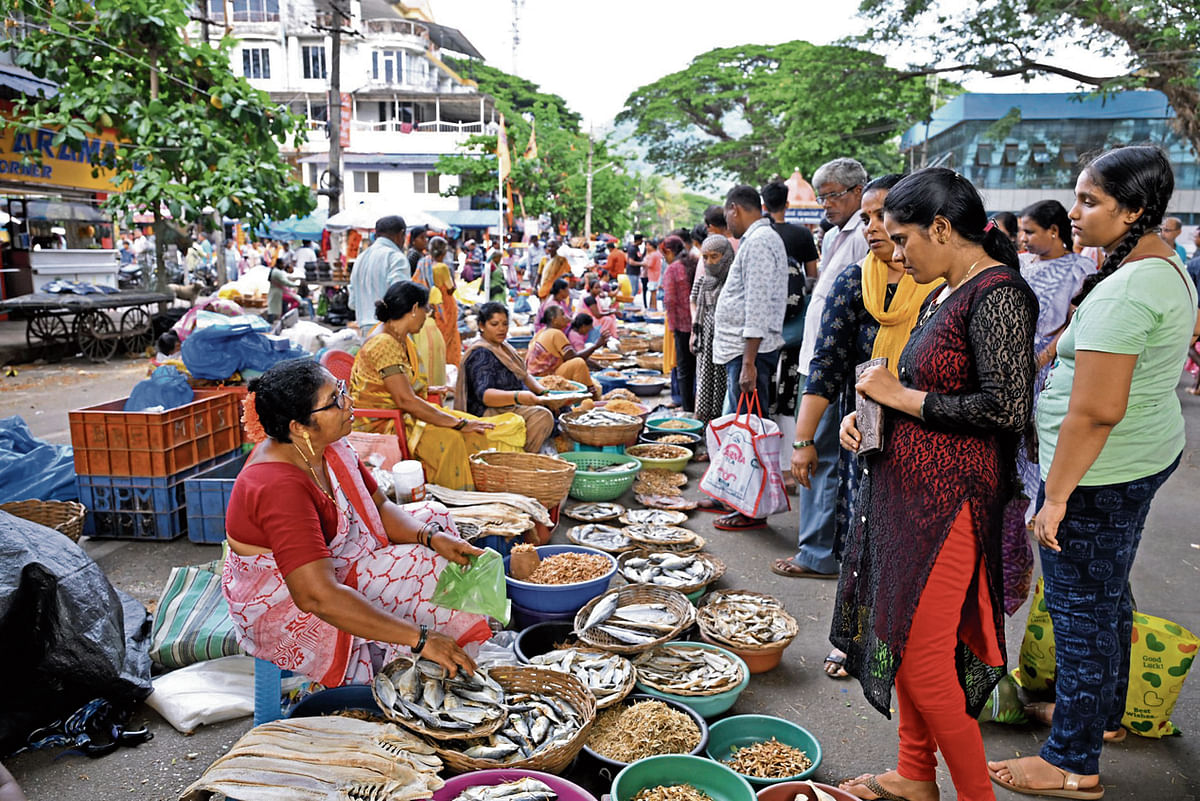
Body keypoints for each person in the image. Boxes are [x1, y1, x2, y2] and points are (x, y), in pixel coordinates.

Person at [988, 146, 1198, 800]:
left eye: (1090, 202)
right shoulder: (1163, 265)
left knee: (1082, 613)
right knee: (1106, 594)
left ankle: (1072, 763)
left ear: (1135, 209)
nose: (1074, 213)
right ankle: (1100, 716)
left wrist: (1054, 497)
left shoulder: (1132, 285)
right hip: (1142, 454)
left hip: (1098, 474)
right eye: (1077, 198)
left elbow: (1098, 409)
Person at [833, 168, 1036, 801]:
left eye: (902, 239)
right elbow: (931, 388)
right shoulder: (942, 290)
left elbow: (1006, 409)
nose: (894, 253)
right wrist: (872, 411)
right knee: (902, 635)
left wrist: (904, 398)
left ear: (942, 229)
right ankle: (915, 773)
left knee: (924, 660)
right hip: (908, 497)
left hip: (953, 502)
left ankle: (976, 794)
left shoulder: (997, 293)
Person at [222, 358, 492, 687]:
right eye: (335, 401)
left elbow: (377, 505)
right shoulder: (278, 485)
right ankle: (420, 667)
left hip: (327, 568)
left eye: (341, 390)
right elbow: (315, 597)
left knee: (436, 517)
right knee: (423, 566)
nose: (348, 402)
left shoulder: (327, 446)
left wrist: (430, 536)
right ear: (299, 426)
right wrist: (420, 638)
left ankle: (453, 641)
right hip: (290, 607)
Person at [350, 282, 522, 490]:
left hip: (404, 412)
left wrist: (430, 393)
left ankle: (475, 492)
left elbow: (398, 387)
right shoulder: (384, 343)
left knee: (477, 428)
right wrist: (456, 423)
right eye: (427, 309)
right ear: (415, 309)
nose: (428, 315)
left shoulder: (398, 337)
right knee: (453, 438)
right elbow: (404, 399)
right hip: (384, 421)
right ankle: (454, 498)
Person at [789, 158, 870, 577]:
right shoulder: (837, 234)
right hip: (817, 360)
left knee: (818, 458)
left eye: (833, 195)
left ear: (857, 191)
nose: (826, 204)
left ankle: (817, 553)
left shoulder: (862, 236)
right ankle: (817, 546)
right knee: (815, 457)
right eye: (822, 197)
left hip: (833, 367)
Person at [1013, 200, 1096, 537]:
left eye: (1030, 231)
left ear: (1054, 231)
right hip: (1013, 365)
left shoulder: (1080, 269)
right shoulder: (1020, 265)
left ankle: (1042, 507)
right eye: (1021, 231)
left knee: (1042, 437)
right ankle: (1016, 507)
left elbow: (1076, 319)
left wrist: (1043, 358)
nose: (1023, 238)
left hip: (1050, 366)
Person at [711, 184, 788, 531]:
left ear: (734, 209)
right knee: (737, 433)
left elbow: (756, 306)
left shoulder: (758, 242)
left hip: (749, 354)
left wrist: (748, 363)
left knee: (748, 434)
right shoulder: (760, 239)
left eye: (727, 215)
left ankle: (750, 510)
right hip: (743, 352)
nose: (728, 223)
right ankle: (727, 494)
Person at [761, 180, 821, 491]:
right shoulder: (802, 234)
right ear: (788, 202)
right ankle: (787, 468)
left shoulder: (760, 235)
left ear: (763, 204)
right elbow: (813, 276)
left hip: (764, 332)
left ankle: (764, 466)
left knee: (765, 398)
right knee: (788, 396)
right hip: (796, 329)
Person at [457, 302, 577, 453]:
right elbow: (486, 396)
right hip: (489, 410)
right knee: (542, 417)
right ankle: (524, 458)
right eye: (494, 324)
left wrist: (545, 394)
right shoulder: (481, 353)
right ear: (482, 325)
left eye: (505, 324)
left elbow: (525, 375)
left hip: (511, 403)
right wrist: (518, 397)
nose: (501, 328)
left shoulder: (504, 348)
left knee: (561, 409)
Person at [691, 235, 735, 424]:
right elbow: (693, 301)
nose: (709, 262)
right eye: (705, 257)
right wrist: (695, 330)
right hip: (706, 339)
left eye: (714, 256)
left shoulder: (734, 283)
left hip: (726, 340)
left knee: (721, 385)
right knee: (704, 381)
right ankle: (702, 425)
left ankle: (718, 427)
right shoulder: (703, 282)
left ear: (726, 256)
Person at [526, 305, 606, 396]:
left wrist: (598, 366)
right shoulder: (556, 333)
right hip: (547, 379)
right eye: (562, 314)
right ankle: (591, 397)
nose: (566, 317)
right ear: (554, 319)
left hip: (534, 379)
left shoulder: (541, 332)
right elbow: (573, 358)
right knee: (578, 363)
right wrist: (596, 346)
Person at [349, 216, 410, 328]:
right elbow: (402, 298)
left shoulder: (360, 258)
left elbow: (352, 303)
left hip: (364, 329)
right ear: (401, 234)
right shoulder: (396, 258)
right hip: (389, 329)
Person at [414, 236, 461, 367]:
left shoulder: (423, 263)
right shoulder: (442, 267)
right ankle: (449, 364)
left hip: (430, 304)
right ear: (444, 252)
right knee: (449, 337)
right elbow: (450, 288)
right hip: (445, 304)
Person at [661, 235, 696, 412]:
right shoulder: (694, 262)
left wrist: (673, 328)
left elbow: (669, 301)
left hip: (682, 327)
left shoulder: (673, 269)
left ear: (668, 251)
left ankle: (688, 409)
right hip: (698, 325)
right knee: (698, 368)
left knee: (684, 370)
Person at [266, 258, 301, 323]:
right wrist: (295, 285)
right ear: (279, 264)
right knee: (274, 308)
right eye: (282, 264)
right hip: (278, 292)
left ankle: (284, 319)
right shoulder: (277, 272)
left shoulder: (275, 271)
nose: (283, 265)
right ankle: (284, 318)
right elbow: (284, 282)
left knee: (277, 307)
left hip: (277, 292)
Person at [641, 238, 663, 310]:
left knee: (653, 293)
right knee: (653, 292)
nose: (646, 247)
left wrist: (644, 262)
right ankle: (652, 307)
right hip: (655, 275)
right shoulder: (657, 253)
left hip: (653, 276)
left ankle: (654, 308)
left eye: (648, 245)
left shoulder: (653, 255)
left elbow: (649, 265)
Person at [625, 234, 645, 298]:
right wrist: (642, 264)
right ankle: (629, 303)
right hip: (632, 272)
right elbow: (631, 262)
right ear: (638, 240)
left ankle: (631, 301)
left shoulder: (637, 248)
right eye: (641, 240)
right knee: (632, 289)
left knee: (636, 289)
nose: (642, 242)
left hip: (636, 272)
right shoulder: (632, 249)